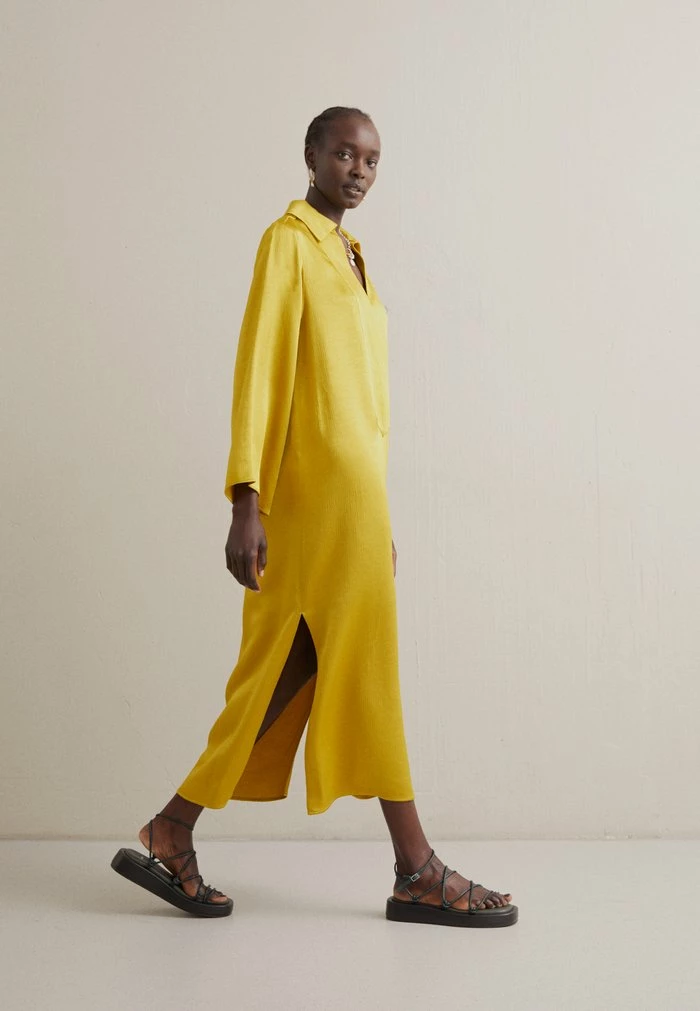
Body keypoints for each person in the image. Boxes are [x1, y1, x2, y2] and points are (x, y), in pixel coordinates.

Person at [111, 106, 517, 928]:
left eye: (372, 159)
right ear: (311, 156)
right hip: (306, 501)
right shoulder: (288, 243)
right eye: (343, 153)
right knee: (336, 667)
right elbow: (259, 370)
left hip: (355, 504)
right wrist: (246, 499)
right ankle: (417, 868)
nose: (359, 170)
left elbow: (359, 403)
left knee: (295, 666)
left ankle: (173, 827)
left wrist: (378, 517)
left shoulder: (353, 254)